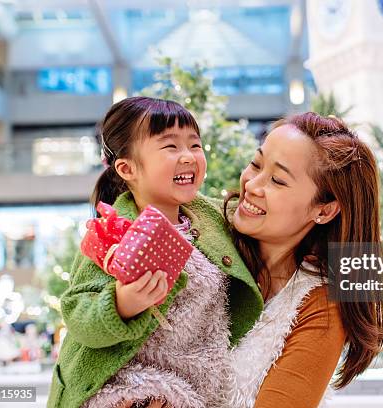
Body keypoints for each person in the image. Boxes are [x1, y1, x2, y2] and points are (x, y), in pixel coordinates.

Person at [47, 97, 262, 408]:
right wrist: (120, 305)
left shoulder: (213, 219)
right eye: (170, 147)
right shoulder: (112, 233)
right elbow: (77, 311)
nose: (188, 157)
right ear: (127, 168)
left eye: (195, 145)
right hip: (128, 386)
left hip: (201, 386)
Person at [224, 112, 383, 407]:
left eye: (277, 180)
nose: (251, 185)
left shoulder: (321, 303)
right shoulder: (200, 232)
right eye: (256, 164)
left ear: (324, 210)